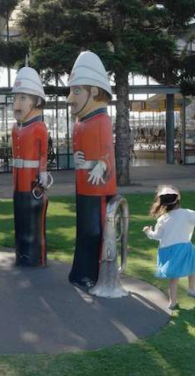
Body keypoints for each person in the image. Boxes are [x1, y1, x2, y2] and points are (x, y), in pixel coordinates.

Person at [67, 51, 118, 288]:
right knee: (84, 232)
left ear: (94, 92)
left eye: (77, 91)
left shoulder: (101, 122)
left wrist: (100, 164)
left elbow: (107, 154)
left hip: (97, 191)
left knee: (94, 231)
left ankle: (93, 275)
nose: (70, 98)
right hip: (83, 188)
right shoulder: (80, 124)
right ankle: (82, 272)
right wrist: (81, 159)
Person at [143, 185, 195, 310]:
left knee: (175, 277)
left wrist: (147, 231)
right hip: (184, 247)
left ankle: (173, 302)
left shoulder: (163, 218)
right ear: (178, 198)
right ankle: (191, 289)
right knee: (193, 267)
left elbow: (157, 236)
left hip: (169, 250)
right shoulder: (188, 213)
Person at [11, 65, 50, 267]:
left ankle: (35, 256)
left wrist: (42, 172)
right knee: (20, 219)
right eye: (15, 98)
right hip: (18, 183)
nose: (16, 104)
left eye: (22, 98)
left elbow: (43, 152)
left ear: (35, 101)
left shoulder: (39, 127)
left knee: (33, 221)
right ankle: (21, 254)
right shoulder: (15, 129)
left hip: (31, 182)